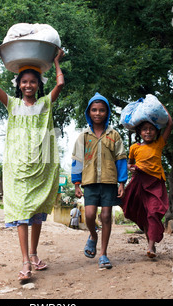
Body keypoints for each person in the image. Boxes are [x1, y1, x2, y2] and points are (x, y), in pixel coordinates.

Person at [0, 46, 65, 281]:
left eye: (32, 81)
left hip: (40, 166)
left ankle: (33, 254)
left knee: (37, 212)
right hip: (18, 167)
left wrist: (57, 61)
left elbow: (60, 84)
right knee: (22, 212)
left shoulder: (44, 104)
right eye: (24, 82)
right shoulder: (13, 104)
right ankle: (25, 261)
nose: (28, 85)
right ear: (18, 85)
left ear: (38, 84)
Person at [71, 92, 128, 269]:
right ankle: (93, 235)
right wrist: (76, 183)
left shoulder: (114, 135)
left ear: (107, 112)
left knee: (105, 216)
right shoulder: (84, 136)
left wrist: (121, 182)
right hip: (89, 182)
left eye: (101, 110)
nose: (97, 113)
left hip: (109, 181)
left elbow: (121, 158)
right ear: (89, 112)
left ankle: (103, 254)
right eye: (94, 110)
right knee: (88, 215)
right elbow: (76, 160)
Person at [121, 103, 173, 258]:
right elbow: (129, 164)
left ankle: (151, 247)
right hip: (139, 184)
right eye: (144, 129)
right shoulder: (134, 148)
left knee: (153, 212)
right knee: (144, 214)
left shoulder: (159, 144)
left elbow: (170, 123)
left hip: (155, 183)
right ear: (139, 132)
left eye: (151, 129)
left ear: (156, 131)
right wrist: (132, 168)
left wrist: (161, 106)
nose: (148, 132)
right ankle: (150, 243)